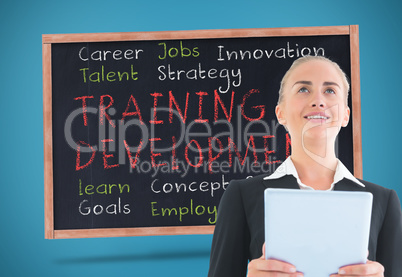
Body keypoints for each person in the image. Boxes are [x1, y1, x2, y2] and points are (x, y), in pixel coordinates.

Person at [208, 56, 402, 277]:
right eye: (303, 90)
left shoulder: (384, 202)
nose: (318, 100)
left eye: (330, 90)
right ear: (280, 113)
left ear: (346, 115)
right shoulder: (241, 196)